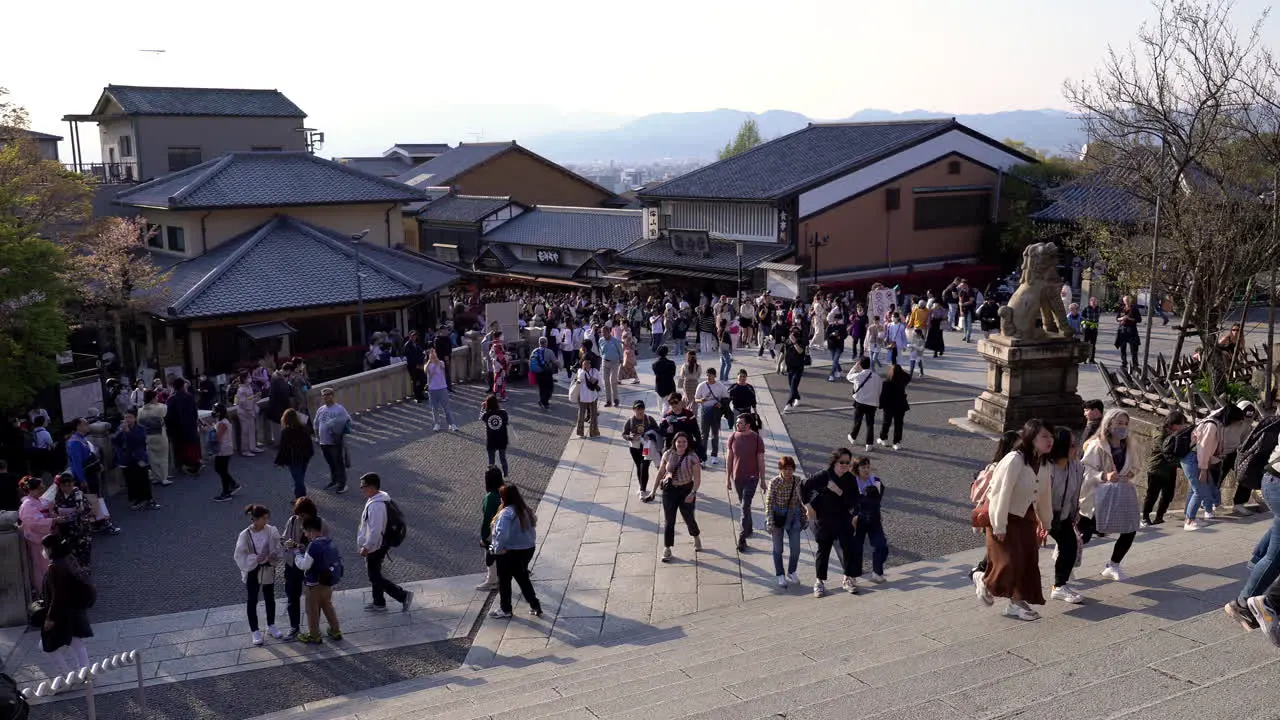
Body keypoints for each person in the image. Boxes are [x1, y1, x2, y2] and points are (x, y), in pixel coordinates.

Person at [979, 419, 1054, 621]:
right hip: (1005, 516)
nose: (1050, 440)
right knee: (1009, 561)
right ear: (1030, 438)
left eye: (1051, 436)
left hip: (1026, 518)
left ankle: (1016, 603)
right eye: (1044, 436)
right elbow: (1000, 494)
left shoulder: (1044, 463)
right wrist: (999, 524)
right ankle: (984, 579)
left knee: (1028, 561)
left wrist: (1046, 523)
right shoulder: (1014, 459)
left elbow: (1045, 496)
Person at [1224, 416, 1280, 630]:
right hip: (1277, 483)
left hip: (1274, 481)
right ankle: (1246, 604)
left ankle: (1248, 601)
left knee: (1276, 547)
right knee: (1277, 555)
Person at [800, 448, 861, 597]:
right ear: (834, 461)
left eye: (848, 462)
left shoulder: (850, 479)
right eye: (842, 462)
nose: (845, 465)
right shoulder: (824, 475)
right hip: (825, 518)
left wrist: (839, 492)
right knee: (824, 549)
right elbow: (803, 485)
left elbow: (853, 501)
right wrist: (807, 506)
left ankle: (848, 578)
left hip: (842, 517)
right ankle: (819, 582)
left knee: (848, 546)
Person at [1182, 403, 1246, 530]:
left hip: (1195, 458)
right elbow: (1203, 449)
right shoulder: (1212, 426)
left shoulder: (1215, 423)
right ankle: (1189, 522)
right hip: (1195, 459)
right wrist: (1204, 469)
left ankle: (1189, 517)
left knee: (1195, 489)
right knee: (1199, 490)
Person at [357, 473, 414, 612]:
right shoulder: (379, 499)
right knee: (375, 574)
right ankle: (379, 602)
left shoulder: (376, 506)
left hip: (376, 546)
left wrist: (366, 546)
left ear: (372, 487)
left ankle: (402, 595)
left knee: (374, 576)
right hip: (379, 544)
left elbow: (375, 530)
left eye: (364, 487)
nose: (362, 490)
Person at [40, 535, 94, 675]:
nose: (43, 551)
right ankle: (84, 672)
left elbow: (57, 596)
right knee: (76, 642)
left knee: (47, 645)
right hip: (74, 610)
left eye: (44, 548)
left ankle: (66, 675)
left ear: (51, 549)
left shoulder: (54, 568)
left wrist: (50, 618)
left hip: (62, 614)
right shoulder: (69, 559)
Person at [487, 484, 542, 618]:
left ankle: (506, 609)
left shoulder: (506, 513)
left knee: (504, 581)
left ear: (504, 498)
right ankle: (534, 604)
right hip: (527, 549)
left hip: (510, 552)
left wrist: (496, 550)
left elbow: (502, 534)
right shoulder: (525, 510)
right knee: (522, 578)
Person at [232, 504, 284, 646]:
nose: (266, 521)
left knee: (269, 597)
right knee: (252, 599)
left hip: (267, 568)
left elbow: (278, 545)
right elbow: (239, 555)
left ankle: (271, 625)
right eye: (263, 518)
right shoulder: (245, 535)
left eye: (267, 518)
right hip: (253, 570)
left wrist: (274, 553)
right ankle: (255, 630)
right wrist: (255, 558)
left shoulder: (271, 530)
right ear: (254, 519)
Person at [280, 496, 330, 640]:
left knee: (314, 599)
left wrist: (306, 547)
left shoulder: (321, 524)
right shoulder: (293, 521)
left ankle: (314, 629)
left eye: (302, 514)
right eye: (298, 514)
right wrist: (287, 544)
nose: (300, 517)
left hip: (312, 566)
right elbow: (283, 539)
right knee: (292, 595)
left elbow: (325, 544)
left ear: (309, 512)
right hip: (293, 564)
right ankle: (294, 626)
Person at [1046, 427, 1085, 604]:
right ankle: (983, 568)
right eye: (1072, 445)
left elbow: (1075, 492)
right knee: (1018, 552)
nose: (1076, 449)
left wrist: (1074, 512)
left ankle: (1059, 586)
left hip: (1063, 515)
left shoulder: (1075, 466)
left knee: (1070, 546)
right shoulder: (1046, 468)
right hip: (1043, 515)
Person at [293, 515, 343, 644]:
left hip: (313, 585)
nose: (304, 534)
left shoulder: (313, 545)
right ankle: (335, 630)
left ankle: (314, 635)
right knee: (328, 606)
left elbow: (304, 565)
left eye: (304, 531)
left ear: (310, 530)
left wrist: (297, 554)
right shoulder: (328, 541)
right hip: (327, 583)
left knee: (312, 610)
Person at [656, 432, 703, 562]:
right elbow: (660, 472)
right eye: (679, 442)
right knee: (669, 521)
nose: (681, 444)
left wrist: (692, 493)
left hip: (686, 490)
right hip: (670, 490)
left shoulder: (692, 457)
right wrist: (653, 491)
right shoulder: (667, 454)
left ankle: (696, 535)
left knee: (688, 517)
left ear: (688, 443)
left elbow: (697, 479)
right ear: (675, 442)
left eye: (684, 442)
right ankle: (667, 548)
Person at [725, 412, 766, 552]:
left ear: (748, 425)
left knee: (744, 505)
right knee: (745, 505)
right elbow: (730, 459)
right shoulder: (733, 437)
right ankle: (748, 528)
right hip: (737, 478)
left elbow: (761, 460)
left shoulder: (757, 439)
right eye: (737, 423)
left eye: (740, 423)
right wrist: (727, 478)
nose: (737, 425)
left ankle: (742, 539)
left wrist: (763, 480)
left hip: (752, 478)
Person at [766, 456, 806, 588]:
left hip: (793, 516)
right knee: (778, 549)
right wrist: (770, 522)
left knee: (796, 549)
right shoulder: (774, 482)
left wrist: (804, 518)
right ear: (781, 469)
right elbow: (769, 503)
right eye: (785, 469)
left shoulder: (798, 481)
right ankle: (780, 574)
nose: (788, 472)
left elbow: (801, 500)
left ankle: (791, 571)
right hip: (778, 516)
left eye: (791, 469)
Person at [850, 456, 889, 585]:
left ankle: (877, 572)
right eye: (863, 467)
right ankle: (853, 576)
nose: (866, 470)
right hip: (858, 520)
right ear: (857, 469)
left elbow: (878, 500)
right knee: (856, 548)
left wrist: (877, 511)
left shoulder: (876, 481)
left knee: (881, 545)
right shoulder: (852, 482)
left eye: (868, 467)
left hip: (874, 519)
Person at [1143, 411, 1187, 526]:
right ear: (1173, 425)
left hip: (1170, 469)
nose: (1184, 426)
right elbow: (1168, 452)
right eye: (1182, 424)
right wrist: (1183, 464)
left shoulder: (1175, 434)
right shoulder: (1161, 435)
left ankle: (1159, 517)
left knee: (1168, 495)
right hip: (1157, 468)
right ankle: (1145, 517)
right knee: (1152, 494)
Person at [19, 476, 60, 598]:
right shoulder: (27, 505)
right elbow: (34, 523)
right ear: (31, 490)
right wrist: (52, 521)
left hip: (45, 537)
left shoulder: (39, 501)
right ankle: (44, 593)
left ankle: (52, 591)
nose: (43, 489)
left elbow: (49, 509)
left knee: (48, 565)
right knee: (40, 568)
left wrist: (53, 517)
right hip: (36, 539)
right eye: (40, 487)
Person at [112, 411, 156, 511]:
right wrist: (121, 432)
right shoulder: (121, 429)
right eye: (126, 417)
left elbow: (138, 442)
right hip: (127, 458)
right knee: (131, 480)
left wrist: (127, 432)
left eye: (130, 417)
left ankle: (148, 499)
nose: (127, 419)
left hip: (139, 457)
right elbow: (115, 441)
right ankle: (136, 499)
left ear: (135, 418)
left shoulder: (141, 429)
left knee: (143, 478)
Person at [314, 388, 352, 493]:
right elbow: (316, 424)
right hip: (323, 442)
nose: (325, 397)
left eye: (328, 395)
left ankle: (342, 484)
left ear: (332, 396)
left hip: (334, 442)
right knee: (331, 463)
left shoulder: (339, 409)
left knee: (338, 463)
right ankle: (334, 480)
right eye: (324, 395)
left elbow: (348, 421)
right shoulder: (321, 409)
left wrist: (338, 429)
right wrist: (317, 437)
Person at [53, 473, 94, 568]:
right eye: (64, 486)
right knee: (69, 548)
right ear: (60, 486)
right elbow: (55, 508)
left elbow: (87, 508)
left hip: (80, 525)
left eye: (69, 485)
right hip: (65, 526)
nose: (67, 488)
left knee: (83, 548)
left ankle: (84, 568)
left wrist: (78, 511)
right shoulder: (58, 495)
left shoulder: (78, 494)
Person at [623, 401, 661, 501]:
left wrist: (650, 435)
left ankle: (642, 489)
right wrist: (629, 437)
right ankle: (641, 486)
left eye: (641, 409)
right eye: (637, 409)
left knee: (644, 466)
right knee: (638, 466)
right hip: (635, 447)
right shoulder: (630, 421)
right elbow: (624, 434)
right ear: (633, 410)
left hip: (646, 447)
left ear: (644, 409)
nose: (639, 411)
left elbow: (657, 430)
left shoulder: (649, 419)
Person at [476, 466, 505, 591]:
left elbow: (487, 518)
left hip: (493, 531)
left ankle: (492, 580)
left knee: (490, 555)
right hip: (504, 529)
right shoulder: (503, 492)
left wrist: (484, 535)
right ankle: (499, 576)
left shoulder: (490, 497)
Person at [275, 409, 315, 499]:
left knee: (298, 479)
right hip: (305, 457)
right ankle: (299, 496)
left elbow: (283, 448)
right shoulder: (304, 429)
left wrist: (279, 461)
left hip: (294, 458)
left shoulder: (286, 432)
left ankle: (301, 497)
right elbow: (309, 443)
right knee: (300, 477)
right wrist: (310, 454)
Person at [694, 368, 729, 466]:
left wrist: (720, 404)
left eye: (710, 375)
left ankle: (714, 455)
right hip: (705, 411)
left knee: (715, 434)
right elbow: (696, 399)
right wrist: (701, 400)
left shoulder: (720, 386)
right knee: (704, 435)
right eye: (707, 375)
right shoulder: (701, 385)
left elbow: (726, 398)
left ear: (715, 376)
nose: (708, 377)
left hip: (716, 412)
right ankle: (703, 456)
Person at [166, 378, 202, 475]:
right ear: (183, 386)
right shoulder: (189, 397)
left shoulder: (171, 399)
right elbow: (195, 412)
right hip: (190, 427)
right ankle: (195, 463)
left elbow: (168, 416)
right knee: (192, 446)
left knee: (181, 448)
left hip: (177, 429)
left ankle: (184, 465)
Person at [846, 357, 883, 452]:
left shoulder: (858, 376)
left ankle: (853, 437)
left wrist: (855, 367)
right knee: (870, 424)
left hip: (860, 402)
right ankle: (869, 444)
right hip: (872, 403)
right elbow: (879, 391)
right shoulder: (877, 377)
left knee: (857, 421)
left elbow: (848, 376)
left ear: (860, 365)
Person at [209, 403, 240, 502]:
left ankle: (226, 493)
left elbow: (218, 437)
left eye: (214, 411)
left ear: (219, 413)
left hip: (223, 449)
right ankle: (233, 484)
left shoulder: (222, 423)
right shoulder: (223, 421)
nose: (213, 412)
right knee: (222, 470)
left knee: (221, 469)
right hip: (226, 449)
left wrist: (209, 431)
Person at [877, 363, 911, 451]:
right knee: (899, 424)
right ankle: (896, 442)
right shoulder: (903, 381)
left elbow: (883, 396)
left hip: (889, 406)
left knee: (886, 423)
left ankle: (883, 439)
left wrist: (881, 405)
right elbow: (908, 377)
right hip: (901, 405)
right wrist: (902, 371)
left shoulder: (886, 382)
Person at [425, 348, 459, 432]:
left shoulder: (441, 363)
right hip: (432, 389)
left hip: (442, 388)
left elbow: (442, 366)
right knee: (434, 408)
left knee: (446, 408)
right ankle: (437, 424)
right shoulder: (427, 365)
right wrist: (429, 361)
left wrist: (436, 360)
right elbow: (425, 370)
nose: (432, 355)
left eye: (434, 353)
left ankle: (452, 424)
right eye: (431, 353)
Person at [482, 394, 512, 476]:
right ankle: (505, 474)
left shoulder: (486, 415)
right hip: (502, 439)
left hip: (491, 440)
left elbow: (480, 417)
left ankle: (492, 476)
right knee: (503, 458)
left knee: (491, 461)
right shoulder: (503, 413)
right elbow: (506, 422)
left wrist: (483, 408)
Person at [574, 357, 602, 438]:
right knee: (581, 414)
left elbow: (599, 381)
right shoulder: (580, 371)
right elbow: (580, 378)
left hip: (593, 396)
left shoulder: (595, 371)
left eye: (587, 363)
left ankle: (594, 432)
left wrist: (592, 379)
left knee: (593, 415)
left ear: (590, 364)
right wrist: (583, 370)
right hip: (583, 396)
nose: (586, 365)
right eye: (584, 363)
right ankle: (580, 432)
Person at [1114, 295, 1142, 373]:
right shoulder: (1121, 308)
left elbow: (1139, 320)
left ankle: (1135, 364)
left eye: (1128, 300)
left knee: (1134, 348)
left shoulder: (1134, 309)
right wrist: (1122, 318)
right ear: (1123, 301)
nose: (1126, 302)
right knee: (1123, 348)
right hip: (1122, 330)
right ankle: (1124, 363)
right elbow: (1117, 318)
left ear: (1130, 300)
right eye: (1125, 301)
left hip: (1131, 330)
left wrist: (1129, 318)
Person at [782, 331, 808, 413]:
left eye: (794, 334)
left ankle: (789, 404)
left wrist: (795, 342)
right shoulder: (787, 341)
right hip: (790, 367)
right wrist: (780, 364)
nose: (792, 335)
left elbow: (800, 351)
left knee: (793, 385)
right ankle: (797, 397)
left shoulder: (801, 342)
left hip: (798, 368)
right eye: (791, 333)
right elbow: (784, 353)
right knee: (792, 386)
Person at [599, 326, 623, 408]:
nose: (604, 334)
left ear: (609, 332)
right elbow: (600, 350)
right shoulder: (601, 340)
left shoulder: (615, 340)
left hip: (614, 362)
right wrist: (602, 356)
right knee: (606, 381)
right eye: (602, 332)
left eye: (605, 332)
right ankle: (608, 400)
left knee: (612, 380)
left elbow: (620, 349)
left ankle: (616, 399)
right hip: (605, 362)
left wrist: (621, 359)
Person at [531, 336, 556, 410]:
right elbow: (554, 360)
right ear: (546, 343)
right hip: (547, 372)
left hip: (538, 372)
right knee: (549, 387)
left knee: (542, 387)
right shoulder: (549, 351)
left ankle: (542, 400)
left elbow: (531, 361)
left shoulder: (534, 351)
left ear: (539, 343)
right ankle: (544, 401)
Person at [404, 330, 427, 403]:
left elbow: (423, 353)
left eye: (415, 336)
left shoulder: (417, 344)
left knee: (423, 380)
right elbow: (411, 357)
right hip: (412, 366)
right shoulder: (407, 345)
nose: (414, 337)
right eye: (412, 336)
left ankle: (421, 394)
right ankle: (416, 397)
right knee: (415, 381)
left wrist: (421, 360)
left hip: (419, 365)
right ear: (410, 336)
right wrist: (417, 362)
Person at [1080, 296, 1102, 364]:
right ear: (1090, 302)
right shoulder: (1086, 309)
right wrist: (1084, 325)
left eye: (1095, 301)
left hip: (1094, 329)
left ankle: (1091, 359)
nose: (1094, 303)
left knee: (1093, 345)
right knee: (1085, 344)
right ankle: (1084, 359)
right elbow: (1081, 318)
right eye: (1092, 301)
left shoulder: (1099, 309)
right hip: (1087, 328)